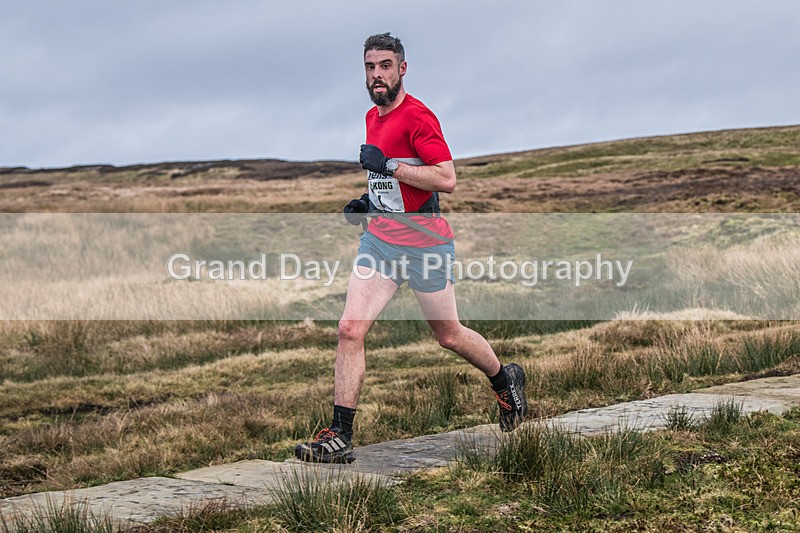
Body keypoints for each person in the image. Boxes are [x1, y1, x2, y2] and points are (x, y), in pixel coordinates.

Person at [295, 33, 527, 464]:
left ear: (402, 69)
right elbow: (395, 184)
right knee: (350, 329)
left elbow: (445, 179)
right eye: (370, 67)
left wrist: (388, 165)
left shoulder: (419, 118)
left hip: (425, 243)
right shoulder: (371, 117)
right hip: (381, 240)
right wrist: (369, 202)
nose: (376, 74)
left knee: (449, 335)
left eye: (385, 65)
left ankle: (504, 380)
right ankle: (339, 436)